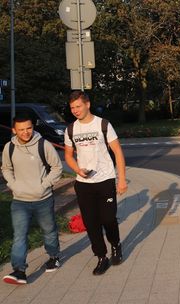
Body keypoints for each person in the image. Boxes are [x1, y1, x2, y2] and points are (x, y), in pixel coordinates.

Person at [64, 90, 128, 276]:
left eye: (78, 106)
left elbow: (117, 152)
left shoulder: (103, 124)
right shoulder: (71, 129)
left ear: (87, 104)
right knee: (91, 223)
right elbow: (68, 155)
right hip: (83, 183)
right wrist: (77, 170)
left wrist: (121, 179)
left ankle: (115, 244)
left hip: (105, 179)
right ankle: (101, 257)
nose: (75, 110)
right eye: (72, 107)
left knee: (108, 219)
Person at [1, 114, 63, 285]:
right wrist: (14, 185)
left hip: (43, 198)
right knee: (19, 236)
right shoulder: (9, 147)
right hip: (20, 201)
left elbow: (57, 168)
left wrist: (44, 185)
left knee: (49, 231)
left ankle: (53, 256)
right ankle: (19, 270)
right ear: (14, 130)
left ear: (32, 127)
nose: (26, 132)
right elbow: (6, 168)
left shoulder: (44, 144)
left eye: (29, 128)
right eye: (21, 129)